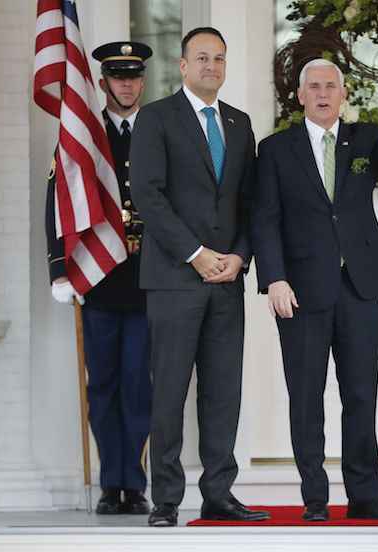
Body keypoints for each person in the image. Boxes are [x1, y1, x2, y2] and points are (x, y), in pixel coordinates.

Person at [251, 58, 378, 522]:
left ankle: (365, 497)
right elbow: (264, 218)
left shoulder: (366, 139)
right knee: (306, 396)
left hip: (359, 286)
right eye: (313, 86)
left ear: (343, 94)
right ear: (299, 96)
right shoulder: (275, 149)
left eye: (330, 86)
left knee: (360, 394)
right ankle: (315, 498)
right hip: (299, 291)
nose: (322, 93)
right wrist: (273, 278)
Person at [129, 27, 267, 527]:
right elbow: (148, 195)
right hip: (174, 278)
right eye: (202, 58)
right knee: (168, 388)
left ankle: (219, 494)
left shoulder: (239, 122)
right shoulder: (156, 118)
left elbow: (250, 203)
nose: (211, 66)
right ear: (183, 66)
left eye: (219, 59)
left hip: (226, 280)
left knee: (222, 390)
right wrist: (195, 253)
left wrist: (239, 257)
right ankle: (165, 498)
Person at [45, 41, 153, 516]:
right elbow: (58, 199)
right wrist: (59, 269)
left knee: (139, 384)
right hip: (100, 277)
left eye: (133, 76)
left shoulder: (160, 128)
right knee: (104, 383)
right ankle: (113, 483)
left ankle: (136, 479)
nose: (126, 84)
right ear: (104, 81)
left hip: (150, 276)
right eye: (117, 76)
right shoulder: (82, 134)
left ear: (142, 81)